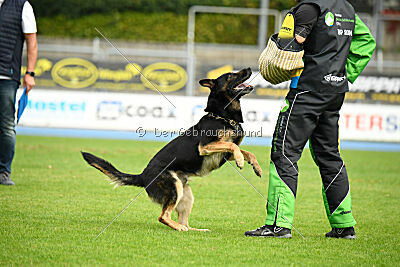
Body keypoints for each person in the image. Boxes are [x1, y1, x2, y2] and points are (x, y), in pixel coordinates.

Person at [245, 0, 376, 239]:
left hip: (306, 90)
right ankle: (344, 225)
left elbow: (291, 44)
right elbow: (367, 43)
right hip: (335, 92)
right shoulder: (347, 9)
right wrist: (344, 74)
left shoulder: (308, 7)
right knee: (329, 155)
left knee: (284, 152)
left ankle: (278, 225)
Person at [0, 0, 37, 185]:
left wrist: (30, 72)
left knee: (6, 125)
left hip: (6, 75)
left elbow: (32, 41)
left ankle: (3, 171)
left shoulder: (23, 6)